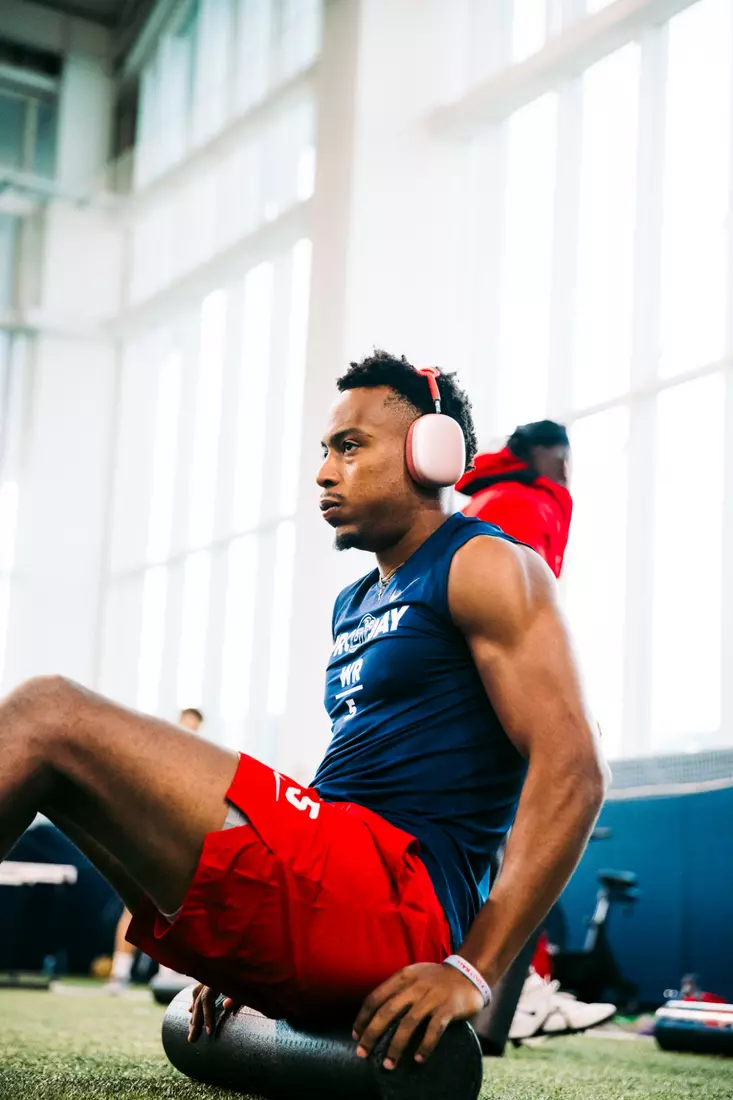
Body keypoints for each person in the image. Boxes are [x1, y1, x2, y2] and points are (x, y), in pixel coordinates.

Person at [0, 351, 607, 1072]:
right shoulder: (353, 603)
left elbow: (575, 767)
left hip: (400, 902)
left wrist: (472, 970)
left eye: (349, 448)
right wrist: (244, 950)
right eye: (324, 451)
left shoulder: (485, 563)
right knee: (65, 774)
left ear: (431, 453)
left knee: (47, 715)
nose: (324, 472)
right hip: (336, 874)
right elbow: (343, 791)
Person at [459, 421, 615, 1043]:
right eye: (566, 458)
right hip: (491, 700)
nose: (571, 470)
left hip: (467, 700)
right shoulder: (527, 501)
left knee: (496, 850)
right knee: (529, 840)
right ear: (547, 454)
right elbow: (515, 611)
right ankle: (511, 993)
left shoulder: (486, 500)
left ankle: (517, 988)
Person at [106, 707, 205, 993]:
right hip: (145, 839)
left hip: (176, 845)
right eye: (185, 726)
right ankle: (119, 974)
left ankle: (169, 972)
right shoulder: (157, 757)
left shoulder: (197, 766)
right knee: (134, 905)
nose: (189, 732)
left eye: (194, 728)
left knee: (175, 905)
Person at [457, 420, 572, 579]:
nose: (564, 470)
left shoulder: (495, 495)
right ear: (537, 453)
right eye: (560, 457)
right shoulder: (522, 503)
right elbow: (525, 586)